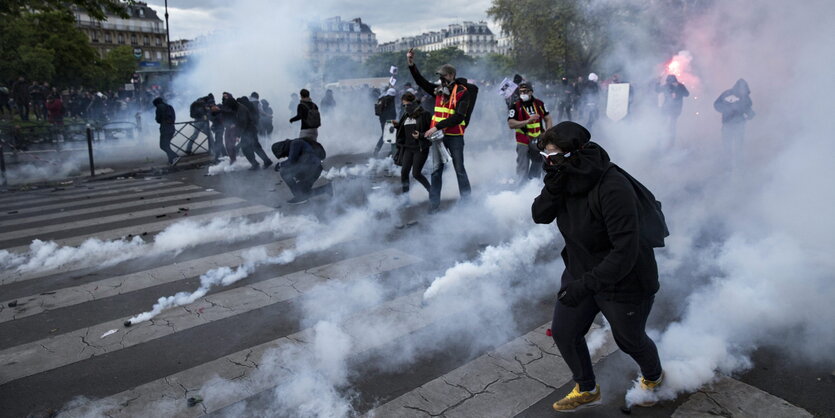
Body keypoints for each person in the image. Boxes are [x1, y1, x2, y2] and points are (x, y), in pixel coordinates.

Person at [531, 121, 664, 412]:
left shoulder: (613, 187)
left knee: (629, 340)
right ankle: (587, 388)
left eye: (552, 156)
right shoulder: (564, 175)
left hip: (625, 280)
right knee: (565, 333)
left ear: (573, 155)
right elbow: (540, 214)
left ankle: (654, 377)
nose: (547, 163)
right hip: (581, 269)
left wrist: (583, 286)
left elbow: (625, 252)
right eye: (544, 157)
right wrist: (553, 186)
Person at [407, 48, 472, 213]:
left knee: (460, 170)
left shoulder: (463, 93)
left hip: (455, 136)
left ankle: (468, 203)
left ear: (451, 76)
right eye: (439, 77)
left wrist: (436, 126)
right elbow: (421, 82)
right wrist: (411, 64)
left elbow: (458, 117)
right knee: (436, 171)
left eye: (443, 76)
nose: (440, 80)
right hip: (438, 137)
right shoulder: (438, 90)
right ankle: (434, 205)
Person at [508, 82, 553, 182]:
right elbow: (511, 124)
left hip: (538, 138)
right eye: (521, 92)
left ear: (531, 92)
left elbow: (548, 118)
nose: (522, 94)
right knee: (523, 165)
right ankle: (521, 187)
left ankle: (533, 184)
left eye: (525, 91)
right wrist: (527, 121)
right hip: (523, 139)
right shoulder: (515, 106)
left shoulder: (539, 103)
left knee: (539, 162)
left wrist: (548, 133)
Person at [393, 91, 432, 195]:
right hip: (407, 148)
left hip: (420, 148)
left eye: (408, 105)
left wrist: (421, 135)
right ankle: (405, 197)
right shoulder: (405, 115)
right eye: (404, 105)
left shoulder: (425, 114)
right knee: (404, 172)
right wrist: (397, 125)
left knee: (416, 174)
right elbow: (404, 129)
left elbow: (432, 131)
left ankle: (431, 191)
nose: (406, 107)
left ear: (414, 103)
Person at [271, 138, 332, 204]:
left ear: (282, 148)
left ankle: (300, 197)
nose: (283, 156)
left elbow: (291, 161)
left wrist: (280, 164)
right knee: (304, 193)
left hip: (312, 169)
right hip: (313, 170)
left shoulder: (295, 143)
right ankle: (327, 188)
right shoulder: (294, 145)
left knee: (284, 172)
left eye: (282, 155)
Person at [713, 79, 754, 170]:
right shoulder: (727, 94)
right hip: (728, 124)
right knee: (728, 145)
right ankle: (728, 165)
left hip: (739, 125)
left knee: (737, 146)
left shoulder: (744, 96)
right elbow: (716, 104)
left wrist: (751, 115)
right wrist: (726, 110)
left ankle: (737, 165)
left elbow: (748, 108)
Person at [236, 96, 273, 170]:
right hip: (252, 130)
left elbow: (244, 122)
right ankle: (264, 161)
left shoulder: (244, 109)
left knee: (248, 148)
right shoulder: (251, 107)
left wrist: (238, 135)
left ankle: (257, 163)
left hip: (248, 131)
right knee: (255, 147)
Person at [655, 75, 689, 146]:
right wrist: (658, 82)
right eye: (668, 82)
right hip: (666, 109)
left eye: (670, 82)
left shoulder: (680, 86)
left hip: (675, 110)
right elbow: (657, 90)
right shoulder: (667, 86)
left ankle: (670, 143)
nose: (668, 83)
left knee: (672, 126)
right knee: (661, 124)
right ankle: (659, 141)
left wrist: (678, 89)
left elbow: (687, 94)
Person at [153, 97, 180, 166]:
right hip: (171, 128)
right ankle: (171, 161)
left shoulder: (159, 107)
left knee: (163, 145)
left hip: (165, 128)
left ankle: (175, 156)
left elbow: (158, 119)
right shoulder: (169, 106)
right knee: (167, 145)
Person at [374, 87, 397, 156]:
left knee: (386, 135)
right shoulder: (389, 100)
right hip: (389, 120)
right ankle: (393, 152)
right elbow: (391, 111)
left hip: (382, 120)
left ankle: (377, 149)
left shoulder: (382, 98)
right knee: (391, 136)